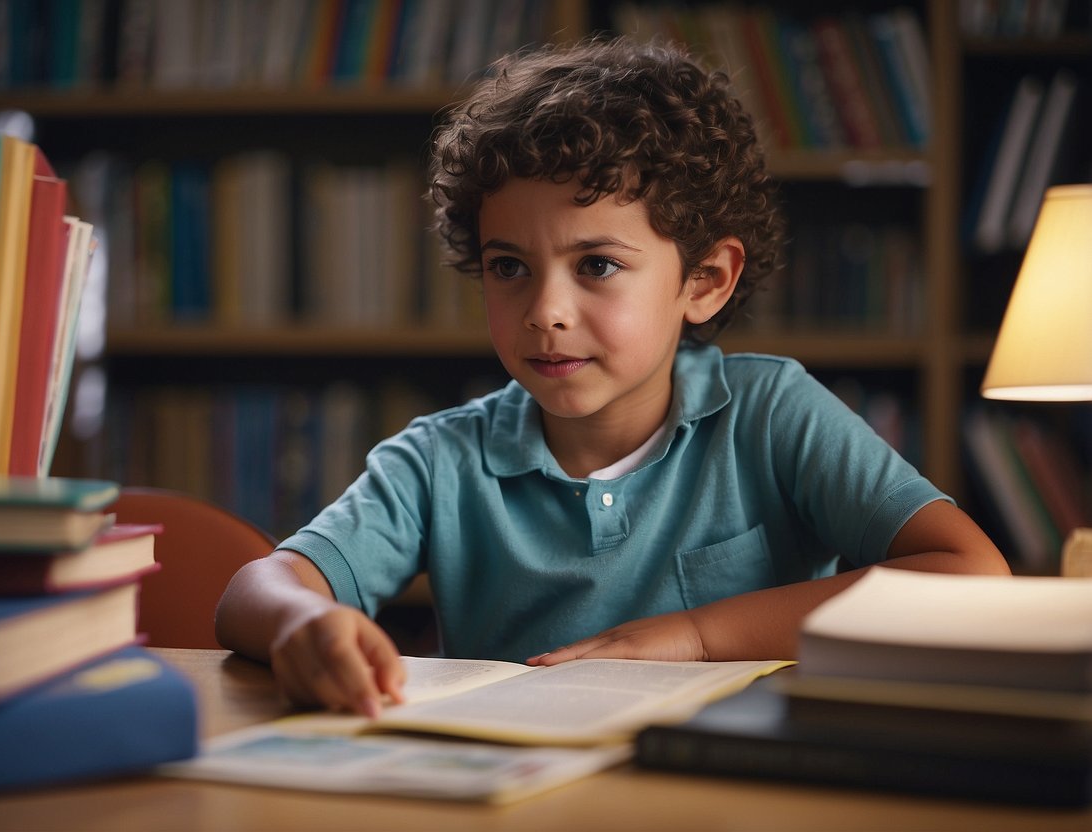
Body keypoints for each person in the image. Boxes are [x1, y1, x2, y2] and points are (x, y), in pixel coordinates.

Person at [215, 36, 1010, 718]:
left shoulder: (771, 413)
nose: (545, 311)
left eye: (596, 264)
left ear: (703, 281)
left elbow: (969, 573)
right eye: (508, 267)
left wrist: (695, 636)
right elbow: (259, 586)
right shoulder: (440, 460)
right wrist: (297, 624)